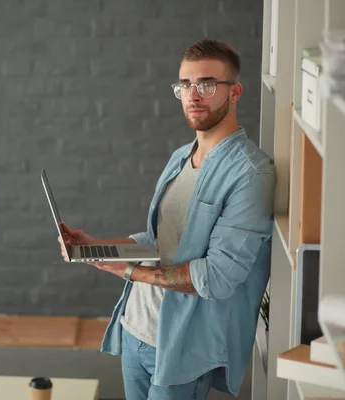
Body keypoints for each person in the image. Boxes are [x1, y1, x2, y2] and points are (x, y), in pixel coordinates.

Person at [57, 39, 275, 400]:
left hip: (180, 349)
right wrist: (95, 246)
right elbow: (160, 239)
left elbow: (217, 278)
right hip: (135, 329)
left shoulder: (250, 173)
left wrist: (126, 270)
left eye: (207, 84)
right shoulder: (180, 157)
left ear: (234, 92)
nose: (193, 95)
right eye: (184, 85)